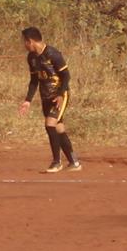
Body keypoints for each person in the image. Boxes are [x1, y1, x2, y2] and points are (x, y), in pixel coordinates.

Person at [18, 26, 82, 173]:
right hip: (45, 96)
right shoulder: (32, 58)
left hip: (59, 96)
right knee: (59, 128)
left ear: (31, 41)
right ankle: (74, 162)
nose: (24, 45)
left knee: (50, 124)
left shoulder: (53, 54)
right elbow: (34, 80)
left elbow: (66, 75)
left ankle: (56, 162)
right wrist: (28, 100)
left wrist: (60, 94)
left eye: (25, 42)